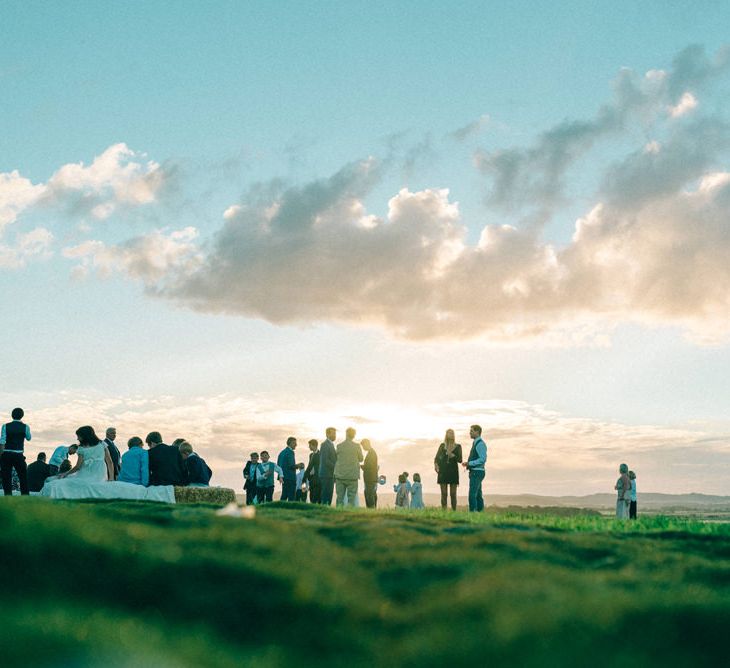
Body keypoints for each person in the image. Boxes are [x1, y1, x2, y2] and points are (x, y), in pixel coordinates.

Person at [45, 426, 113, 488]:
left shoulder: (82, 448)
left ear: (85, 436)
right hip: (99, 473)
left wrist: (66, 474)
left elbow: (78, 466)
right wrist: (111, 478)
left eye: (79, 436)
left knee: (72, 484)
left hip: (87, 473)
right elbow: (109, 462)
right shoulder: (101, 444)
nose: (77, 438)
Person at [0, 407, 32, 495]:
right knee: (23, 476)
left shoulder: (5, 426)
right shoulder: (25, 427)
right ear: (22, 416)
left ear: (12, 415)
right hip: (18, 454)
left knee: (6, 476)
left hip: (6, 453)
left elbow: (2, 441)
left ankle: (8, 495)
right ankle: (25, 495)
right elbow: (29, 438)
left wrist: (0, 454)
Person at [434, 429, 462, 510]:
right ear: (446, 435)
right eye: (448, 433)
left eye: (451, 433)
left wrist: (453, 456)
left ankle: (454, 511)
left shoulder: (458, 446)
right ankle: (444, 511)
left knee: (453, 493)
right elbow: (436, 458)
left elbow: (460, 459)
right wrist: (436, 465)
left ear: (454, 435)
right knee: (444, 493)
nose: (450, 435)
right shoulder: (442, 446)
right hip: (443, 471)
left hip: (453, 472)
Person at [335, 427, 362, 507]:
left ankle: (338, 515)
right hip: (352, 476)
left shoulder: (339, 446)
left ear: (346, 434)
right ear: (354, 435)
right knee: (351, 499)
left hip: (340, 476)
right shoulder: (357, 446)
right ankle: (350, 515)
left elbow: (336, 458)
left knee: (340, 498)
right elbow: (361, 459)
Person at [462, 425, 487, 512]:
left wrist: (470, 463)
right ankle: (480, 512)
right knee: (478, 494)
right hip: (476, 472)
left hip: (477, 472)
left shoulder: (480, 444)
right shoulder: (476, 443)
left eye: (472, 431)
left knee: (472, 494)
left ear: (477, 432)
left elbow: (483, 459)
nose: (470, 433)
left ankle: (473, 512)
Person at [318, 427, 337, 505]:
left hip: (330, 474)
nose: (335, 435)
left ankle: (326, 509)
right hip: (326, 474)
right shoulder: (325, 444)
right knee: (325, 495)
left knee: (329, 495)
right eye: (334, 433)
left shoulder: (331, 445)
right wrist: (336, 467)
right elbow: (326, 461)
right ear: (327, 434)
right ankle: (324, 510)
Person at [277, 437, 298, 501]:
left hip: (283, 477)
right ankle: (291, 509)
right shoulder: (290, 452)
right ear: (291, 443)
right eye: (295, 443)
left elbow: (278, 466)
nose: (296, 445)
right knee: (291, 496)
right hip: (290, 477)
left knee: (284, 494)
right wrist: (299, 465)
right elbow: (291, 465)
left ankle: (280, 508)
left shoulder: (281, 453)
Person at [361, 439, 379, 508]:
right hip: (371, 478)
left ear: (366, 444)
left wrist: (362, 466)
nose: (363, 448)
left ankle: (371, 510)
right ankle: (372, 510)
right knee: (370, 494)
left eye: (363, 446)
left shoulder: (371, 453)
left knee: (370, 496)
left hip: (370, 478)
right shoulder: (371, 452)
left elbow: (370, 466)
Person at [303, 440, 321, 504]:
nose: (309, 447)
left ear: (314, 445)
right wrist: (307, 476)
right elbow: (309, 466)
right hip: (311, 479)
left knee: (316, 498)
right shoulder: (311, 455)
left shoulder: (320, 454)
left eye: (310, 445)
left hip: (318, 479)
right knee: (311, 496)